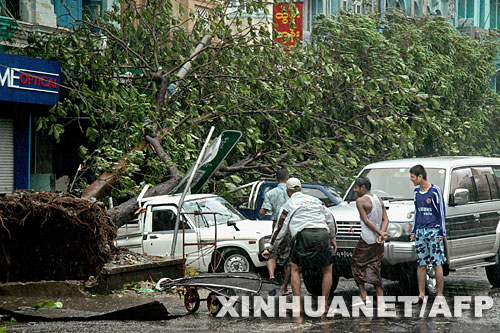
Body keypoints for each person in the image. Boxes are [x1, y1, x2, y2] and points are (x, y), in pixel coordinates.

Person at [263, 178, 337, 313]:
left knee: (295, 269)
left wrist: (271, 247)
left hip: (304, 234)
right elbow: (330, 219)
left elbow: (280, 229)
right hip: (322, 233)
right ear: (300, 188)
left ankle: (297, 306)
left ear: (288, 191)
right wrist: (332, 238)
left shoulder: (288, 205)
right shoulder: (315, 201)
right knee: (327, 269)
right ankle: (324, 305)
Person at [409, 165, 446, 305]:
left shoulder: (435, 191)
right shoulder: (417, 192)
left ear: (420, 176)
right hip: (421, 232)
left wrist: (441, 232)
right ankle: (421, 294)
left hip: (433, 231)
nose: (411, 179)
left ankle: (440, 295)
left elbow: (441, 212)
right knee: (421, 263)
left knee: (437, 263)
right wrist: (414, 230)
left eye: (412, 177)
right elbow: (417, 212)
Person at [351, 176, 389, 308]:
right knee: (375, 267)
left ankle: (363, 295)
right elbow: (385, 219)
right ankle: (380, 298)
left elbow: (366, 221)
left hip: (367, 239)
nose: (355, 190)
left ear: (363, 187)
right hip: (378, 241)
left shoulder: (360, 201)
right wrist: (382, 234)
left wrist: (380, 233)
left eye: (356, 187)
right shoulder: (378, 199)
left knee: (357, 264)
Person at [259, 167, 291, 295]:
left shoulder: (270, 193)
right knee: (288, 256)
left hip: (276, 225)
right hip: (290, 226)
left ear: (276, 179)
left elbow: (262, 212)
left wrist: (270, 209)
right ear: (288, 178)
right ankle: (284, 286)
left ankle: (271, 276)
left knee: (272, 252)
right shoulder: (291, 192)